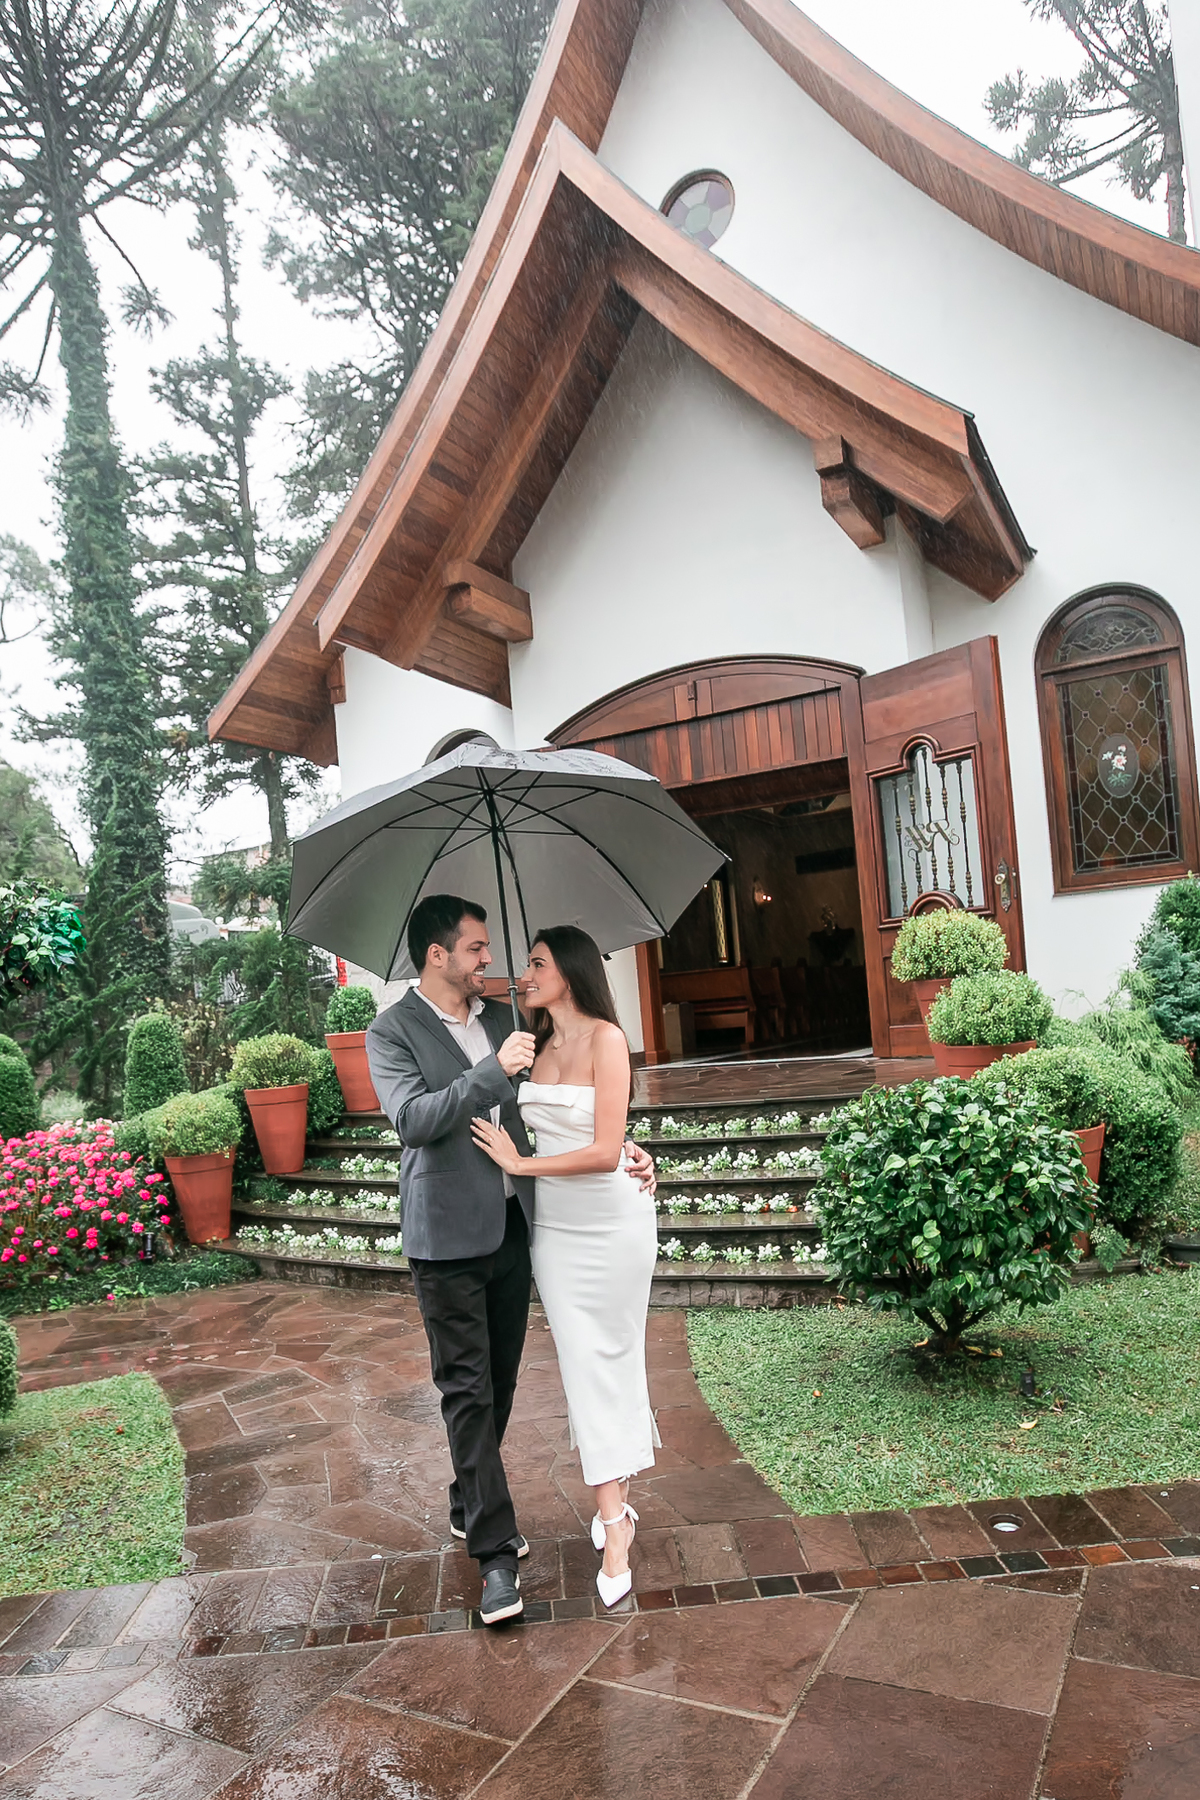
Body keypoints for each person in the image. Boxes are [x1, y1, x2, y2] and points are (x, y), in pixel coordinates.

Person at [365, 895, 655, 1626]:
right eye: (475, 949)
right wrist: (491, 1074)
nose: (489, 961)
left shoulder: (505, 1020)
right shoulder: (391, 1031)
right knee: (466, 1391)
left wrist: (624, 1151)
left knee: (497, 1382)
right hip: (445, 1236)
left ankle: (469, 1498)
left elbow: (562, 1111)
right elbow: (413, 1121)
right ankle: (496, 1555)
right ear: (438, 955)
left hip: (521, 1229)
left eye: (497, 951)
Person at [471, 924, 659, 1608]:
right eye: (525, 962)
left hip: (614, 1225)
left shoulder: (608, 1040)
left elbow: (607, 1147)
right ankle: (616, 1516)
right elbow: (535, 1123)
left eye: (537, 962)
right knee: (585, 1370)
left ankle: (615, 1521)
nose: (524, 972)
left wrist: (632, 1151)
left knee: (615, 1361)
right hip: (553, 1231)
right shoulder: (530, 1046)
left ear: (571, 970)